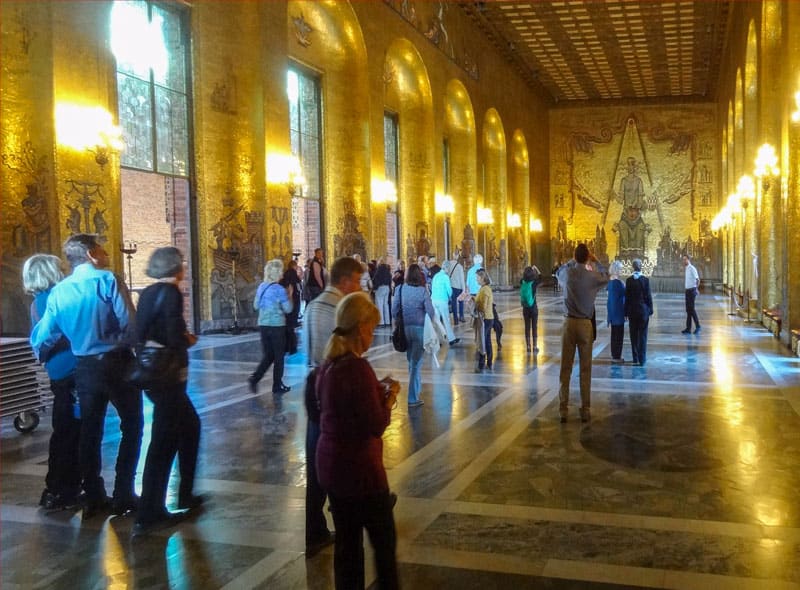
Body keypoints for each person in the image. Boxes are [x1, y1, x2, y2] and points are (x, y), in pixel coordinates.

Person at [30, 234, 143, 520]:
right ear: (92, 254)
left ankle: (94, 496)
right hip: (117, 363)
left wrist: (43, 356)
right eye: (102, 249)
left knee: (89, 433)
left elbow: (43, 335)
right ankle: (123, 494)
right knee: (131, 427)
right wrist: (131, 347)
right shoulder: (107, 280)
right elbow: (130, 323)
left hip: (85, 368)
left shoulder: (60, 291)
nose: (106, 254)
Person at [315, 292, 400, 590]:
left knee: (347, 546)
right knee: (384, 542)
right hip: (360, 472)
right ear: (361, 327)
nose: (373, 335)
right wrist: (388, 399)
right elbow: (375, 424)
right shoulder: (358, 368)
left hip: (331, 468)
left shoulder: (328, 364)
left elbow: (328, 406)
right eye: (372, 329)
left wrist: (372, 391)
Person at [132, 247, 203, 536]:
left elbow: (140, 332)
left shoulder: (148, 293)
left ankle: (184, 493)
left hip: (154, 375)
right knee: (164, 441)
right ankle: (150, 512)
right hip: (168, 377)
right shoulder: (171, 293)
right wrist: (187, 339)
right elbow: (173, 335)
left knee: (189, 428)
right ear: (176, 267)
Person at [302, 256, 364, 557]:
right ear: (345, 281)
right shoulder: (341, 309)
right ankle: (355, 505)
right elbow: (347, 347)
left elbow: (306, 347)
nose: (360, 287)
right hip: (335, 383)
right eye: (357, 281)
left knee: (316, 453)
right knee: (343, 450)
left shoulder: (312, 306)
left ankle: (313, 528)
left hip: (313, 381)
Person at [23, 254, 82, 511]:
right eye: (60, 267)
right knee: (71, 432)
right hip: (70, 369)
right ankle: (61, 490)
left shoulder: (38, 300)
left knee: (66, 431)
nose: (65, 270)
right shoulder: (53, 298)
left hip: (59, 370)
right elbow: (65, 332)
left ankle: (60, 488)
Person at [555, 243, 609, 423]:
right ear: (587, 257)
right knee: (585, 369)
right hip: (586, 324)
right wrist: (596, 260)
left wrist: (572, 260)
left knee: (565, 367)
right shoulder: (592, 276)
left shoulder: (568, 274)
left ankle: (563, 408)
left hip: (569, 323)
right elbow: (607, 276)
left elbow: (558, 270)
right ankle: (585, 409)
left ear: (574, 256)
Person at [392, 263, 435, 408]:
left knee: (411, 361)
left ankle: (415, 391)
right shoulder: (422, 291)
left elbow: (394, 310)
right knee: (416, 363)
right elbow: (431, 312)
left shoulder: (399, 289)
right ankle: (412, 397)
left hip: (404, 329)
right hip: (419, 329)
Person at [248, 259, 293, 394]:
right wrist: (289, 295)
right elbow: (288, 309)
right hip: (277, 326)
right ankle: (277, 386)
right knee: (279, 357)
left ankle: (255, 378)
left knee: (268, 355)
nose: (283, 275)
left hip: (263, 325)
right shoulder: (279, 289)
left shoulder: (262, 286)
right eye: (281, 271)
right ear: (277, 273)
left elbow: (255, 306)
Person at [625, 258, 653, 366]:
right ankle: (642, 359)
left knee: (633, 335)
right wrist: (650, 310)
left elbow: (627, 297)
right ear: (641, 267)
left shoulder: (629, 280)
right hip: (642, 311)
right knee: (643, 335)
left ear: (633, 267)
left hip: (632, 311)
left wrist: (626, 312)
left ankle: (635, 357)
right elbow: (648, 296)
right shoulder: (645, 280)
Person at [430, 264, 459, 345]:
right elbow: (449, 290)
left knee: (437, 321)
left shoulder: (436, 276)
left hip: (434, 300)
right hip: (442, 300)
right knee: (446, 320)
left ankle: (437, 340)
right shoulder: (446, 277)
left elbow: (432, 287)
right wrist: (450, 296)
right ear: (446, 269)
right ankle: (451, 339)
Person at [474, 269, 495, 371]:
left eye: (477, 277)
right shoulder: (483, 288)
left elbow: (483, 306)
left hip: (485, 318)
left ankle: (481, 365)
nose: (476, 279)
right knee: (486, 341)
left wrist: (475, 304)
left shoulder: (485, 289)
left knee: (482, 341)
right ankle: (489, 362)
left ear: (482, 278)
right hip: (487, 318)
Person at [281, 259, 303, 354]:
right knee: (291, 325)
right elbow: (298, 284)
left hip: (286, 301)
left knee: (287, 324)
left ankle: (286, 346)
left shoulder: (284, 276)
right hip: (294, 299)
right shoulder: (293, 274)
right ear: (294, 266)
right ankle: (292, 348)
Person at [606, 260, 626, 362]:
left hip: (612, 312)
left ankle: (614, 355)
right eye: (621, 269)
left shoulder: (610, 283)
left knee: (614, 334)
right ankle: (617, 356)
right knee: (618, 335)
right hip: (618, 312)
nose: (622, 270)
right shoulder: (619, 283)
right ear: (617, 270)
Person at [519, 265, 541, 353]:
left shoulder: (522, 281)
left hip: (525, 308)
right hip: (533, 307)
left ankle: (528, 346)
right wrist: (536, 268)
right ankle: (535, 346)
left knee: (527, 327)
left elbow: (522, 277)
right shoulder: (534, 283)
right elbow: (540, 276)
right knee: (534, 326)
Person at [682, 254, 701, 334]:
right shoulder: (686, 268)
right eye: (683, 259)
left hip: (692, 291)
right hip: (687, 291)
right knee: (688, 310)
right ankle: (688, 328)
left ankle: (698, 326)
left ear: (689, 260)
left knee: (691, 309)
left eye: (685, 259)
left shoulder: (692, 268)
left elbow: (698, 280)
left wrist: (696, 289)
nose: (684, 261)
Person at [372, 257, 393, 327]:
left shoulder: (380, 269)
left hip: (380, 288)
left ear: (379, 262)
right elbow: (390, 279)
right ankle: (387, 321)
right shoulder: (388, 269)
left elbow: (376, 279)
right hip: (387, 288)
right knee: (385, 305)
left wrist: (374, 288)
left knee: (379, 305)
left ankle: (381, 322)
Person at [447, 252, 466, 324]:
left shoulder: (448, 265)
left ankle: (455, 320)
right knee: (461, 301)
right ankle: (461, 316)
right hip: (458, 287)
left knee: (453, 303)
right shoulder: (459, 266)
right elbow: (462, 279)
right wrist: (463, 289)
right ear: (458, 256)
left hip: (451, 286)